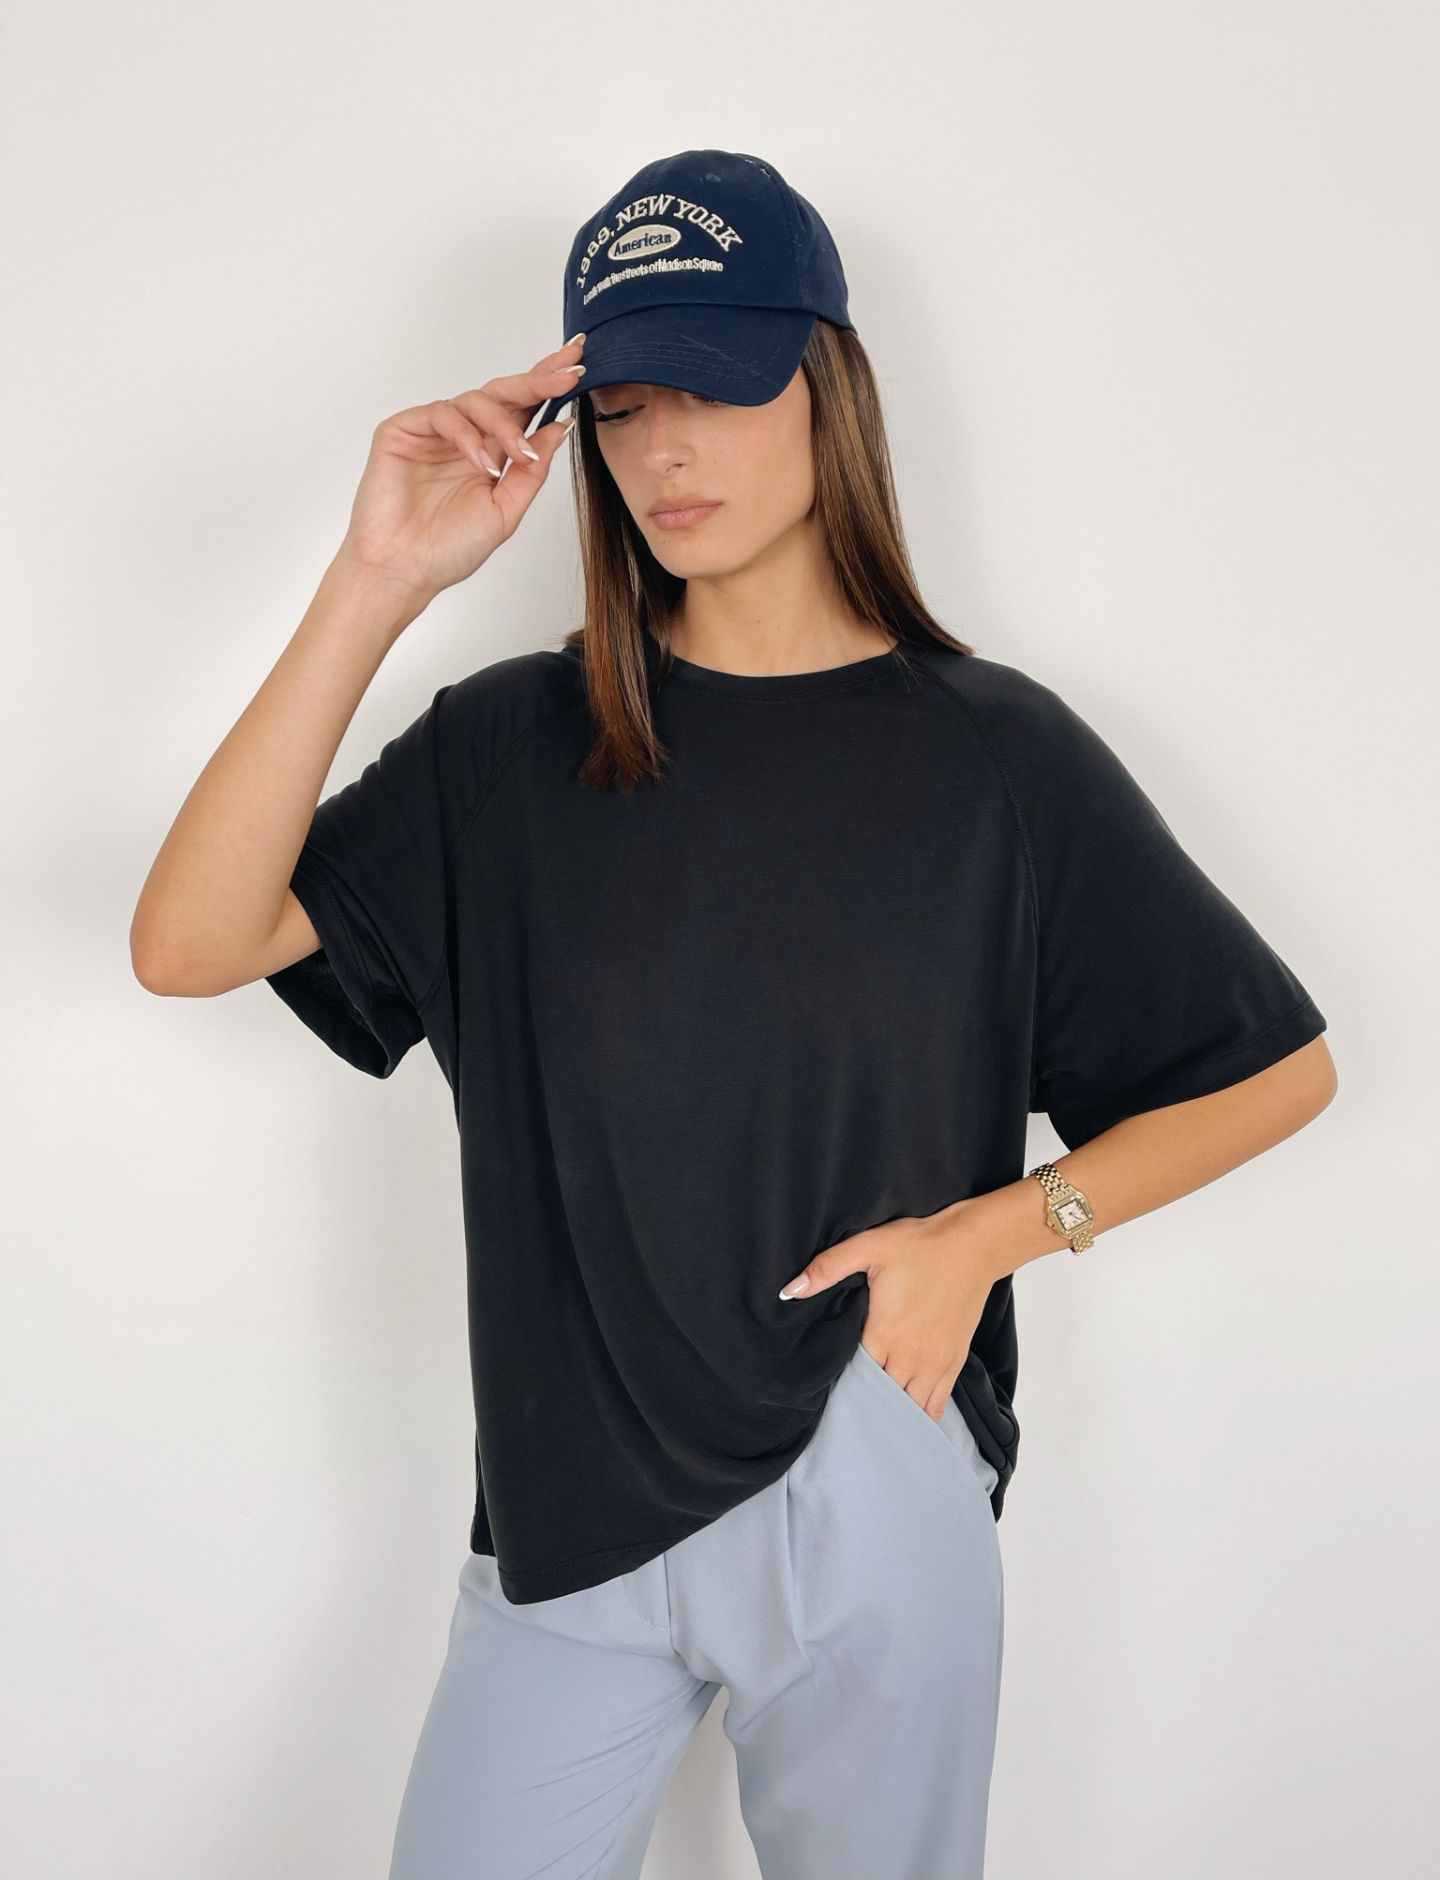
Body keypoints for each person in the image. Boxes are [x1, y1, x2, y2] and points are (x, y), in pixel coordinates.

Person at [131, 149, 1338, 1880]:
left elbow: (1273, 1073)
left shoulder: (996, 760)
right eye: (622, 410)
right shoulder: (508, 748)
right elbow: (189, 943)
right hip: (563, 1515)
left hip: (866, 1465)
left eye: (713, 390)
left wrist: (991, 1237)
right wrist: (378, 578)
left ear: (827, 385)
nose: (663, 452)